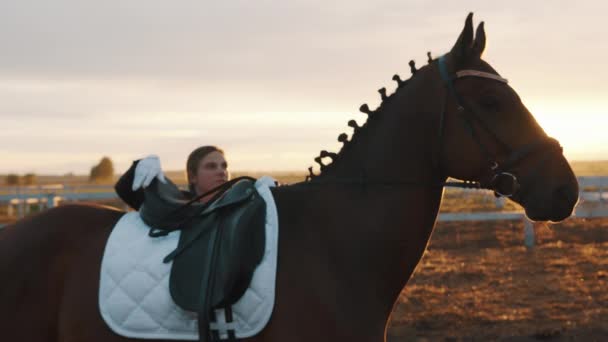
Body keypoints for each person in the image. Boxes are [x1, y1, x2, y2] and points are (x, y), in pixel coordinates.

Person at [115, 146, 229, 210]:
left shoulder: (238, 205)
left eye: (224, 166)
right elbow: (125, 190)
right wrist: (138, 166)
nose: (222, 172)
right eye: (211, 166)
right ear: (192, 176)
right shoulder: (177, 205)